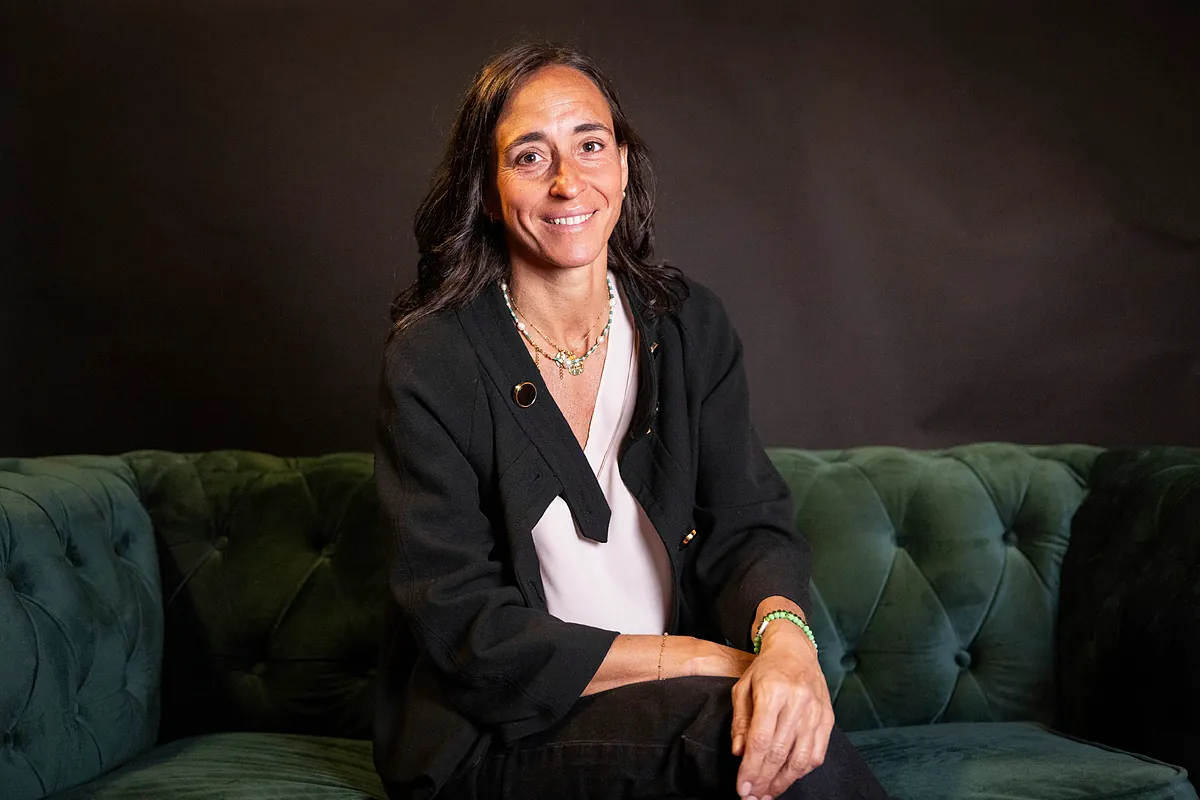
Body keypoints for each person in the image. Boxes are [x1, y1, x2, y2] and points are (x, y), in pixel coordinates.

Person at [373, 41, 890, 800]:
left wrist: (786, 645)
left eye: (590, 145)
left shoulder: (687, 325)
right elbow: (464, 627)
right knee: (740, 732)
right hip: (497, 737)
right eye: (529, 157)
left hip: (674, 709)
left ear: (621, 164)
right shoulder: (433, 360)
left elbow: (746, 524)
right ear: (486, 191)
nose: (567, 181)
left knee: (773, 725)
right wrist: (705, 661)